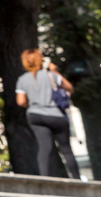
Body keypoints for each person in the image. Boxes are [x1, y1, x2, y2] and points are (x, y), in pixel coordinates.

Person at [15, 48, 80, 180]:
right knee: (66, 148)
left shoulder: (22, 79)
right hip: (56, 115)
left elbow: (21, 101)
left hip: (35, 115)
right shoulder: (50, 75)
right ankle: (77, 179)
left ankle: (44, 179)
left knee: (44, 148)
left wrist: (33, 105)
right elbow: (69, 88)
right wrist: (54, 70)